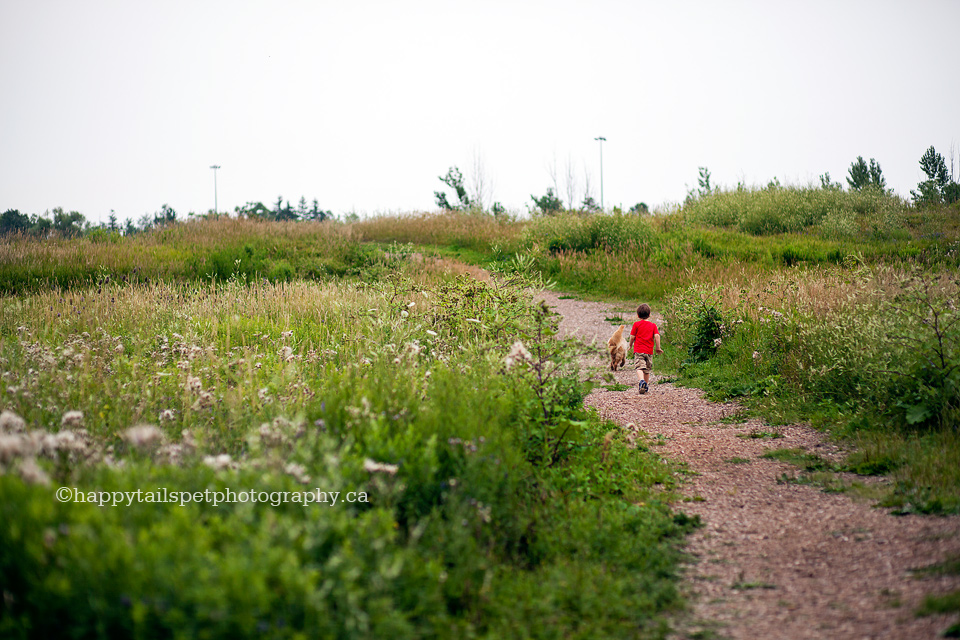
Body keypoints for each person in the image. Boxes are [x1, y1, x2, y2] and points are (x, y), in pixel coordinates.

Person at [628, 303, 663, 394]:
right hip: (649, 351)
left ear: (638, 315)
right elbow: (657, 336)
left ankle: (641, 382)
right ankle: (645, 386)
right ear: (649, 314)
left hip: (639, 350)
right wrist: (658, 348)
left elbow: (632, 337)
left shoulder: (636, 324)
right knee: (647, 370)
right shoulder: (653, 325)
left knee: (639, 368)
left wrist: (630, 345)